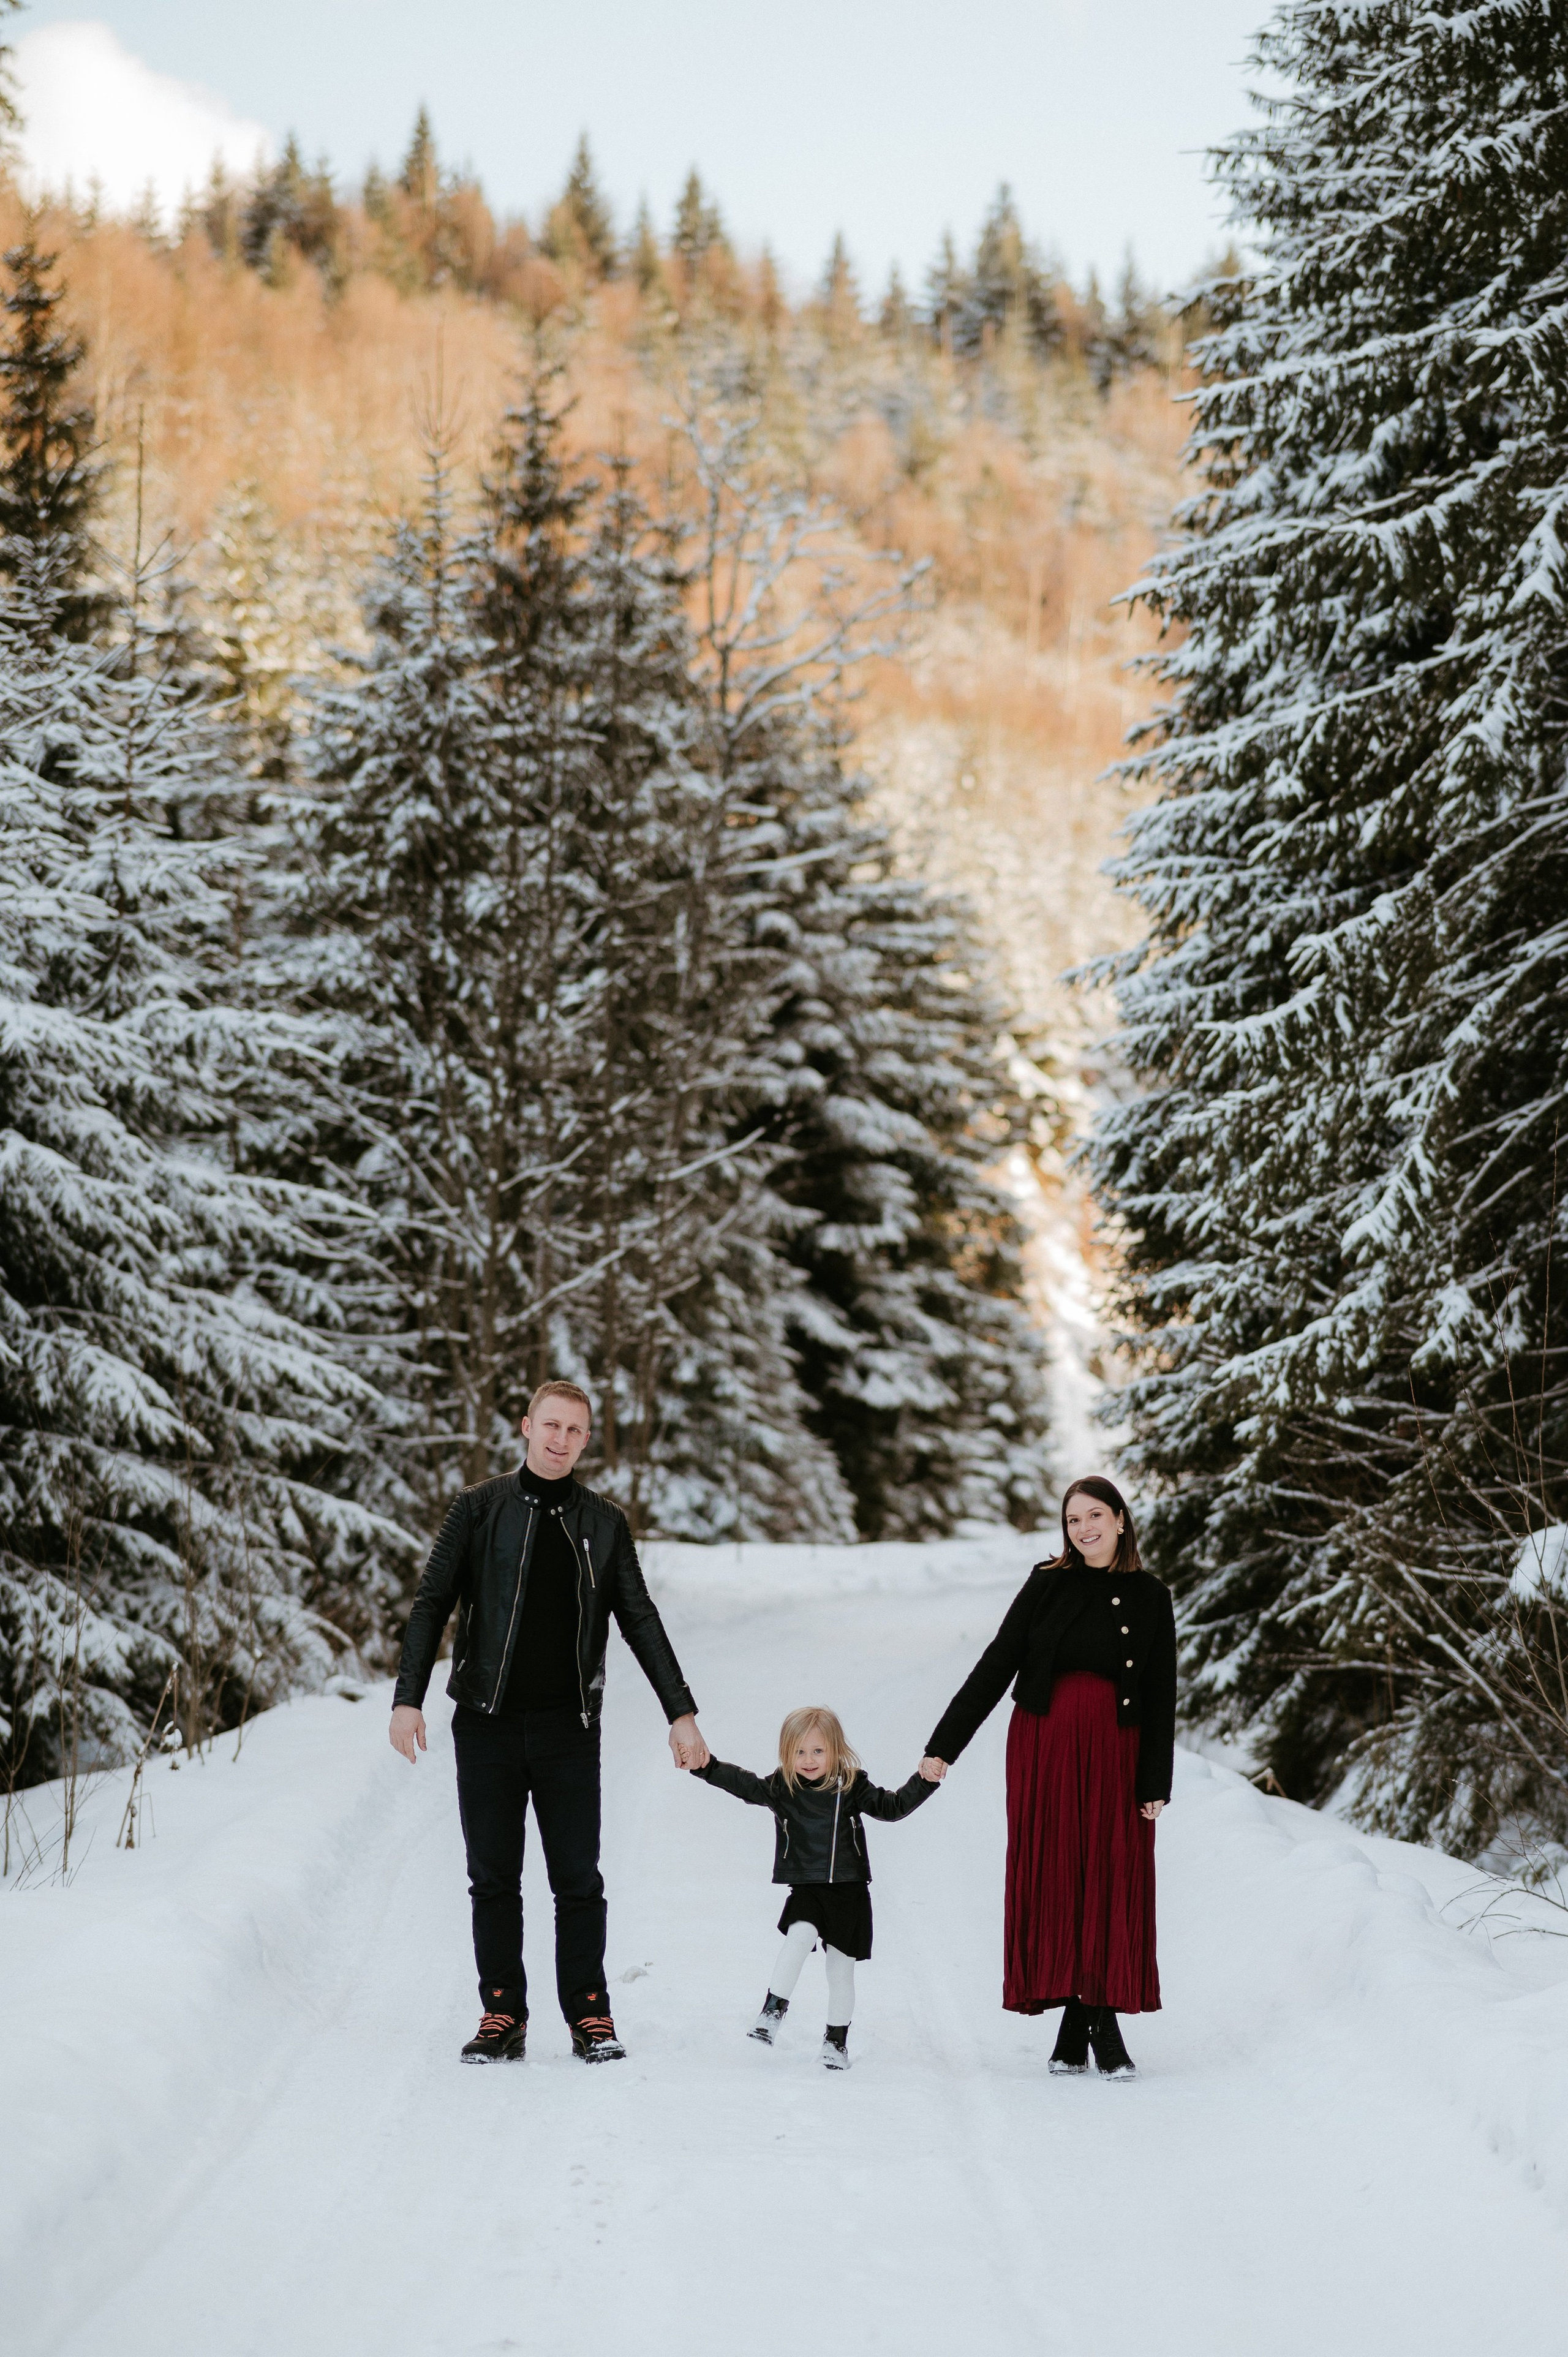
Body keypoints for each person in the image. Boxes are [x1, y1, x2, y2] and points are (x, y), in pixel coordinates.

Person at [388, 1379, 709, 2065]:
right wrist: (407, 1696)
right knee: (493, 1876)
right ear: (526, 1426)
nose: (560, 1440)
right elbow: (430, 1602)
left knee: (577, 1879)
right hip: (486, 1722)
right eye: (550, 1426)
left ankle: (590, 2012)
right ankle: (503, 2010)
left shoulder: (604, 1523)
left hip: (569, 1726)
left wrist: (680, 1712)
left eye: (575, 1431)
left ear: (586, 1440)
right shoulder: (477, 1510)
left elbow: (640, 1619)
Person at [921, 1476, 1175, 2080]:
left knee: (1111, 1872)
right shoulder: (1046, 1583)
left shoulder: (1150, 1595)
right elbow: (996, 1661)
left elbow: (1161, 1692)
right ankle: (1086, 2018)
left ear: (1119, 1518)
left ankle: (1090, 2020)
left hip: (1118, 1751)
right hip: (1045, 1748)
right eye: (1071, 1520)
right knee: (1060, 1871)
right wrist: (942, 1746)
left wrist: (1154, 1781)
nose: (1083, 1528)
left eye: (1094, 1515)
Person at [692, 1705, 940, 2070]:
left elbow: (892, 1806)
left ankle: (835, 2042)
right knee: (797, 1940)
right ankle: (772, 2013)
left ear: (836, 1751)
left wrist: (925, 1779)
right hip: (807, 1891)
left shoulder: (852, 1786)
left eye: (818, 1751)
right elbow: (742, 1783)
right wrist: (705, 1766)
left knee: (840, 1971)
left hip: (849, 1893)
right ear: (787, 1753)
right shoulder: (782, 1787)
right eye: (799, 1752)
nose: (808, 1760)